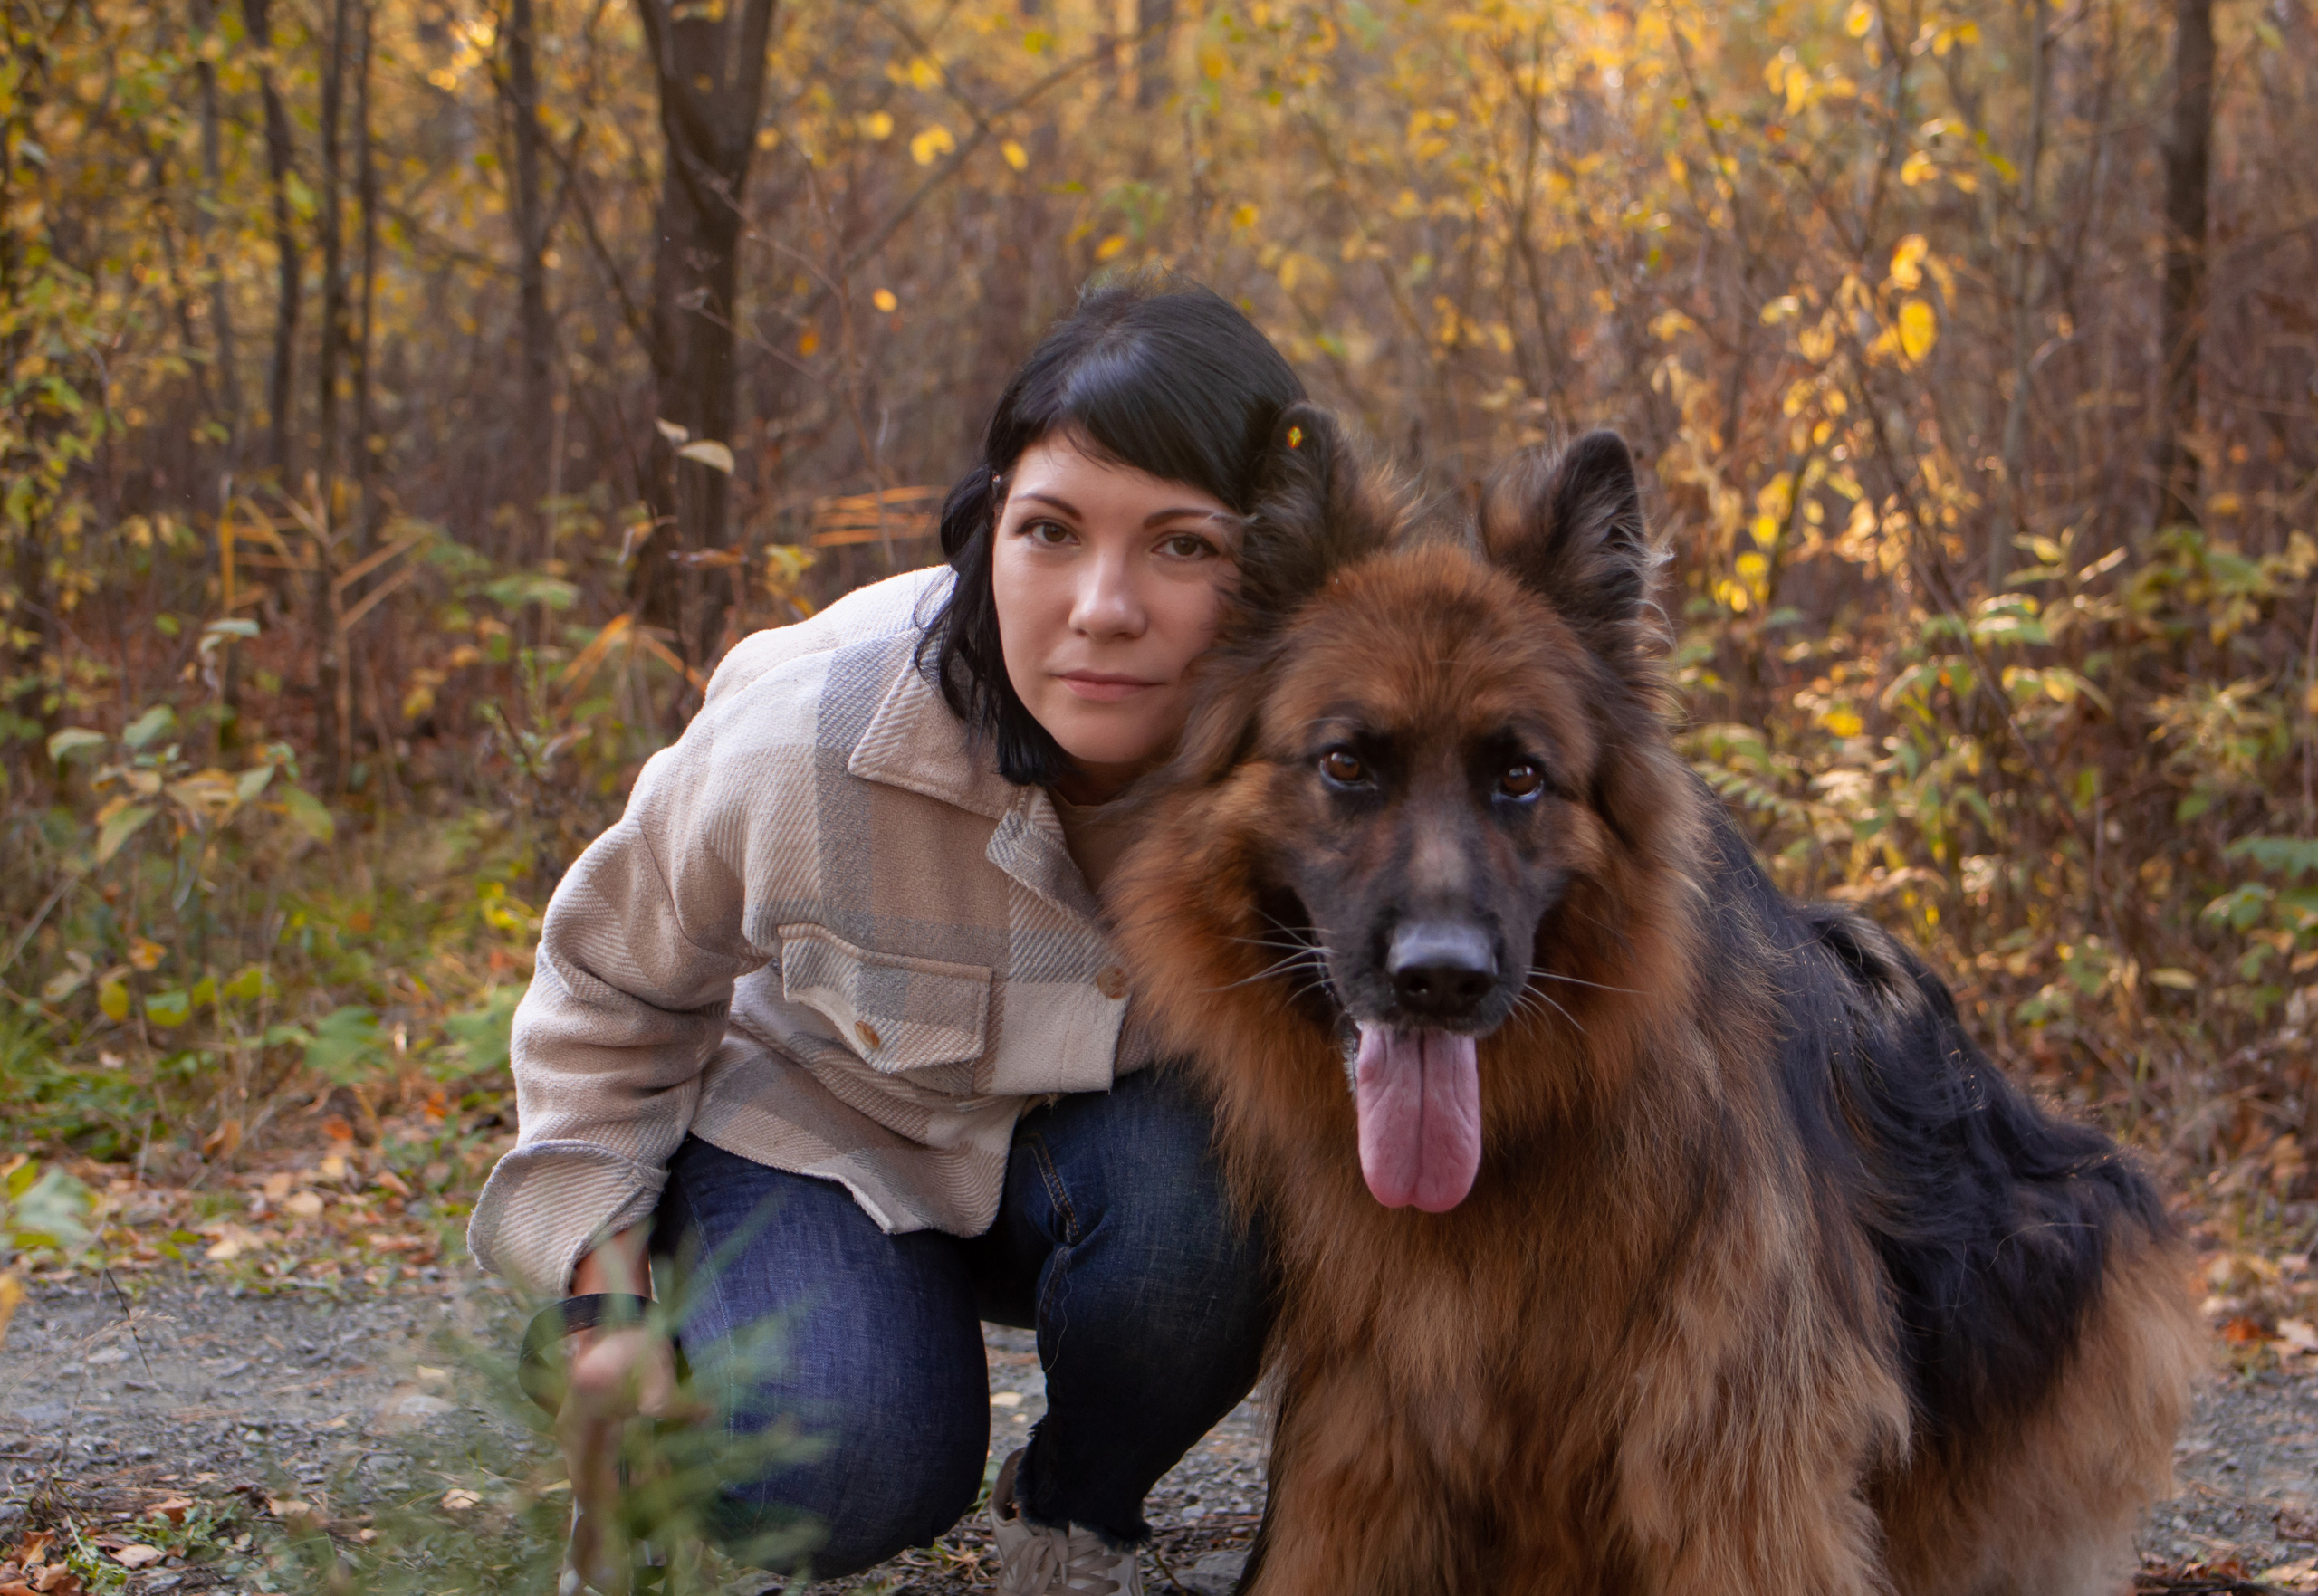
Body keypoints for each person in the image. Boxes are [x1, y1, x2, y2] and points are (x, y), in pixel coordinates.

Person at [469, 277, 1300, 1596]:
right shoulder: (811, 733)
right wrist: (599, 1302)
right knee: (842, 1475)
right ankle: (677, 1410)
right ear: (986, 534)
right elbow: (606, 995)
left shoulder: (1319, 780)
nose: (1102, 606)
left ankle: (1078, 1519)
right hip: (815, 1133)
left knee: (1226, 1192)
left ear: (1275, 571)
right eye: (1050, 531)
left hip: (1119, 1172)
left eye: (1184, 546)